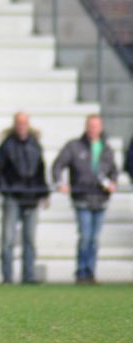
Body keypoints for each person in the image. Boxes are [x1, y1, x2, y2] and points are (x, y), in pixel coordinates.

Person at [52, 114, 118, 285]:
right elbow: (58, 165)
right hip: (82, 198)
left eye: (96, 126)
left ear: (101, 127)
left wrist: (113, 183)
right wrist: (61, 183)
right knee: (86, 236)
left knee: (95, 238)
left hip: (101, 199)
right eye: (90, 125)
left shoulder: (106, 148)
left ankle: (91, 272)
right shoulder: (74, 146)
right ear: (86, 126)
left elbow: (113, 171)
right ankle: (81, 272)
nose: (93, 129)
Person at [0, 112, 48, 284]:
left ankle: (28, 275)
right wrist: (6, 191)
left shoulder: (35, 144)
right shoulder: (6, 145)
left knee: (29, 240)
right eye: (19, 122)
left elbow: (40, 170)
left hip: (31, 197)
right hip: (13, 197)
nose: (21, 126)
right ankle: (7, 277)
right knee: (8, 239)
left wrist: (43, 193)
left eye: (24, 122)